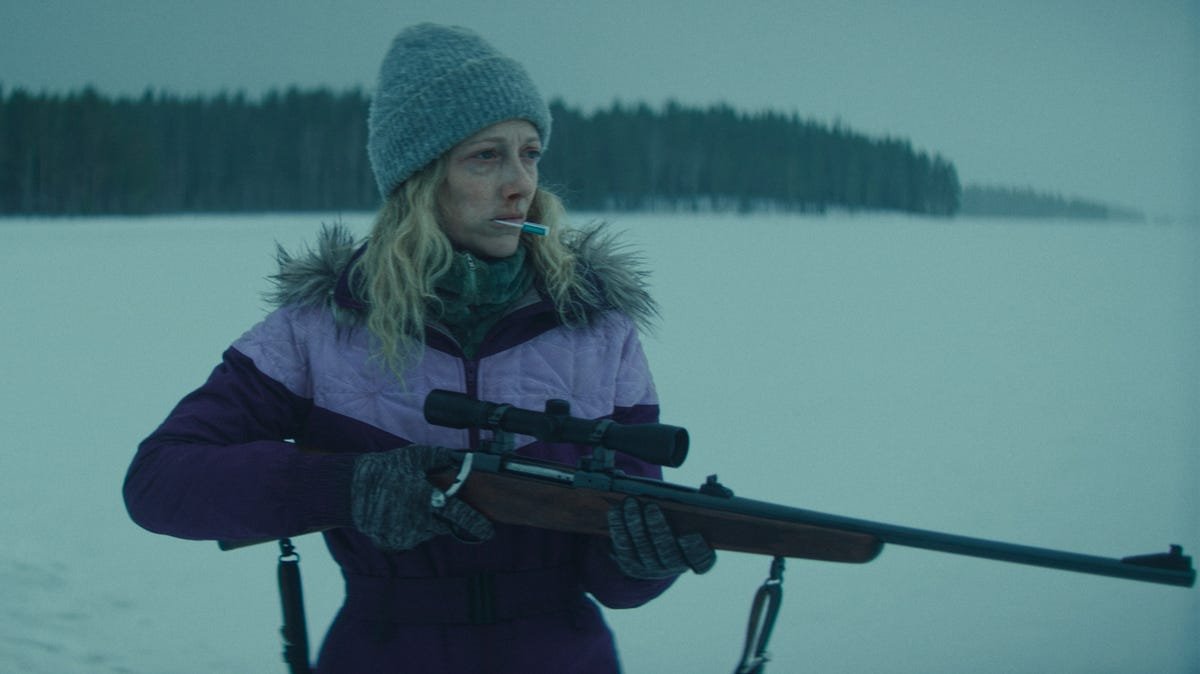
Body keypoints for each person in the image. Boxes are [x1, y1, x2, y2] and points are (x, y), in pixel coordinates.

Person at [123, 23, 714, 673]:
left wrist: (645, 562)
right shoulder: (317, 329)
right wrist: (347, 487)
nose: (520, 183)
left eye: (530, 153)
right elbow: (159, 481)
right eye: (486, 156)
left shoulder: (598, 331)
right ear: (420, 179)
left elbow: (616, 576)